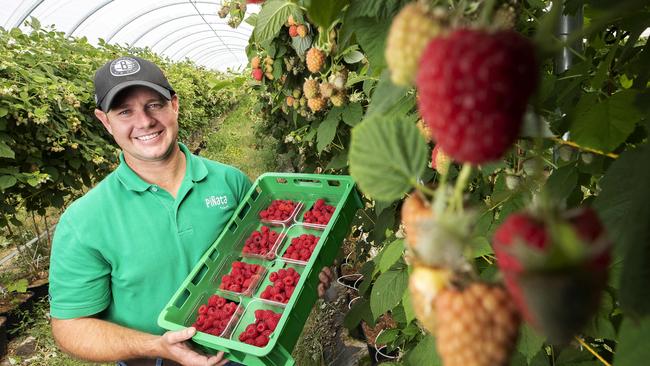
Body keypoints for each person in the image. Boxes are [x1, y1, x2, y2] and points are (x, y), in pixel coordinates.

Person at [49, 56, 333, 366]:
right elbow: (70, 327)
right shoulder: (83, 221)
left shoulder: (230, 182)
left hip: (240, 347)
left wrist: (302, 276)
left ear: (174, 104)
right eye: (125, 111)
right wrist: (157, 345)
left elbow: (267, 252)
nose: (144, 122)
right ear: (105, 121)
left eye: (154, 105)